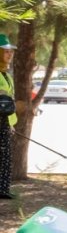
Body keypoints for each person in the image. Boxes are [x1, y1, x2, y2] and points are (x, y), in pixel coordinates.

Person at [0, 35, 16, 200]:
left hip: (5, 121)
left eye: (10, 51)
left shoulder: (6, 75)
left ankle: (3, 190)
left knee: (5, 156)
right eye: (5, 51)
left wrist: (11, 123)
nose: (10, 54)